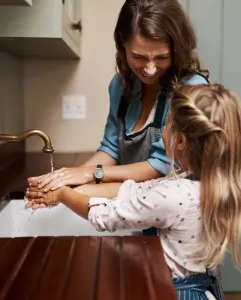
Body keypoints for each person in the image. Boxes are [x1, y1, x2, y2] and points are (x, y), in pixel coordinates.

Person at [26, 84, 241, 299]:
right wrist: (73, 187)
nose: (162, 130)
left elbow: (103, 216)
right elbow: (135, 191)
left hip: (175, 292)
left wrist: (62, 195)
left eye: (165, 124)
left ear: (181, 140)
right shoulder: (210, 185)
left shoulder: (172, 196)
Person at [27, 0, 209, 200]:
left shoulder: (192, 89)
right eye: (138, 57)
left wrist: (91, 174)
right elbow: (111, 148)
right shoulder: (121, 85)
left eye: (161, 57)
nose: (149, 69)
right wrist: (65, 179)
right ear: (123, 41)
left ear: (177, 50)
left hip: (173, 218)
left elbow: (163, 165)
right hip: (133, 209)